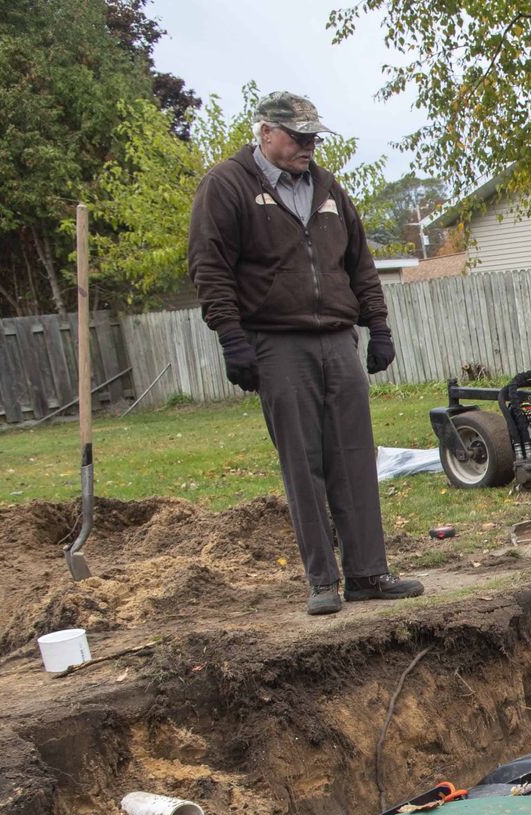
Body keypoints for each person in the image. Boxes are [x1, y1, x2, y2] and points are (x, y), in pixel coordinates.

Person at [186, 91, 422, 617]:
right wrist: (231, 338)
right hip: (276, 342)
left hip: (338, 338)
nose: (308, 147)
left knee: (355, 458)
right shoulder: (227, 186)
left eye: (314, 138)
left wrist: (377, 326)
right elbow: (210, 267)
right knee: (304, 463)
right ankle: (323, 580)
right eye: (299, 137)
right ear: (265, 132)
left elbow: (360, 263)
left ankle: (368, 573)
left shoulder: (328, 187)